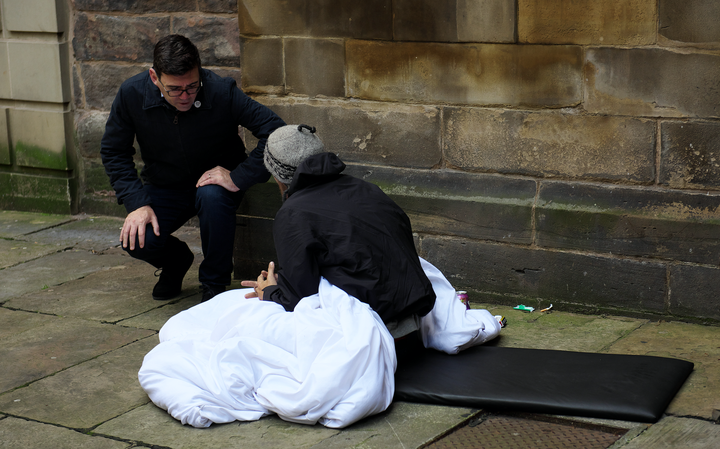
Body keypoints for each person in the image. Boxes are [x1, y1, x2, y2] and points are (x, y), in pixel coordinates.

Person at [101, 34, 285, 302]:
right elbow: (114, 150)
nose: (185, 95)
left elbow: (276, 131)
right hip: (164, 186)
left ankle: (214, 287)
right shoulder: (132, 93)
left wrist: (238, 176)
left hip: (215, 186)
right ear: (154, 78)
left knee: (211, 197)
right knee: (136, 237)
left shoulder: (221, 90)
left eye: (192, 86)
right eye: (174, 89)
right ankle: (176, 261)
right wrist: (136, 202)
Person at [241, 124, 437, 326]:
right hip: (413, 314)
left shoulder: (292, 213)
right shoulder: (366, 188)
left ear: (278, 176)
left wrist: (270, 292)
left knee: (241, 319)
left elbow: (298, 298)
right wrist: (282, 280)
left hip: (372, 328)